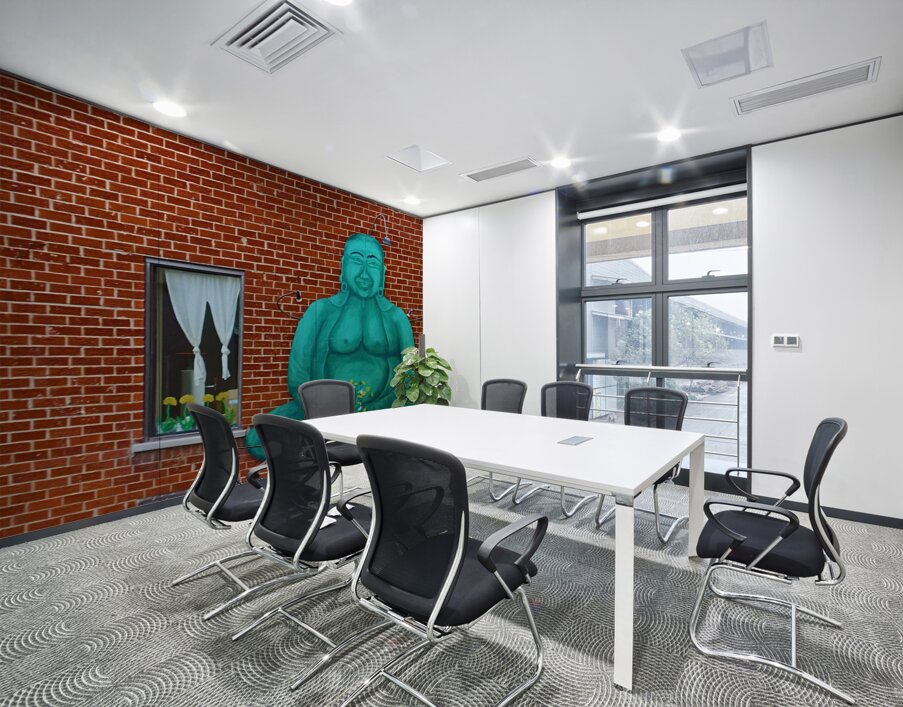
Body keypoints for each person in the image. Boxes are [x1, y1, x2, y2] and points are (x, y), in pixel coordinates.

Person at [245, 233, 413, 459]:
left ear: (382, 273)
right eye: (356, 260)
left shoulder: (396, 318)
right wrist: (333, 411)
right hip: (323, 411)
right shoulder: (321, 311)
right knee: (257, 438)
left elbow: (408, 376)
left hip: (382, 409)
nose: (364, 273)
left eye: (372, 263)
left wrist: (372, 410)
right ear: (343, 267)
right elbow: (298, 375)